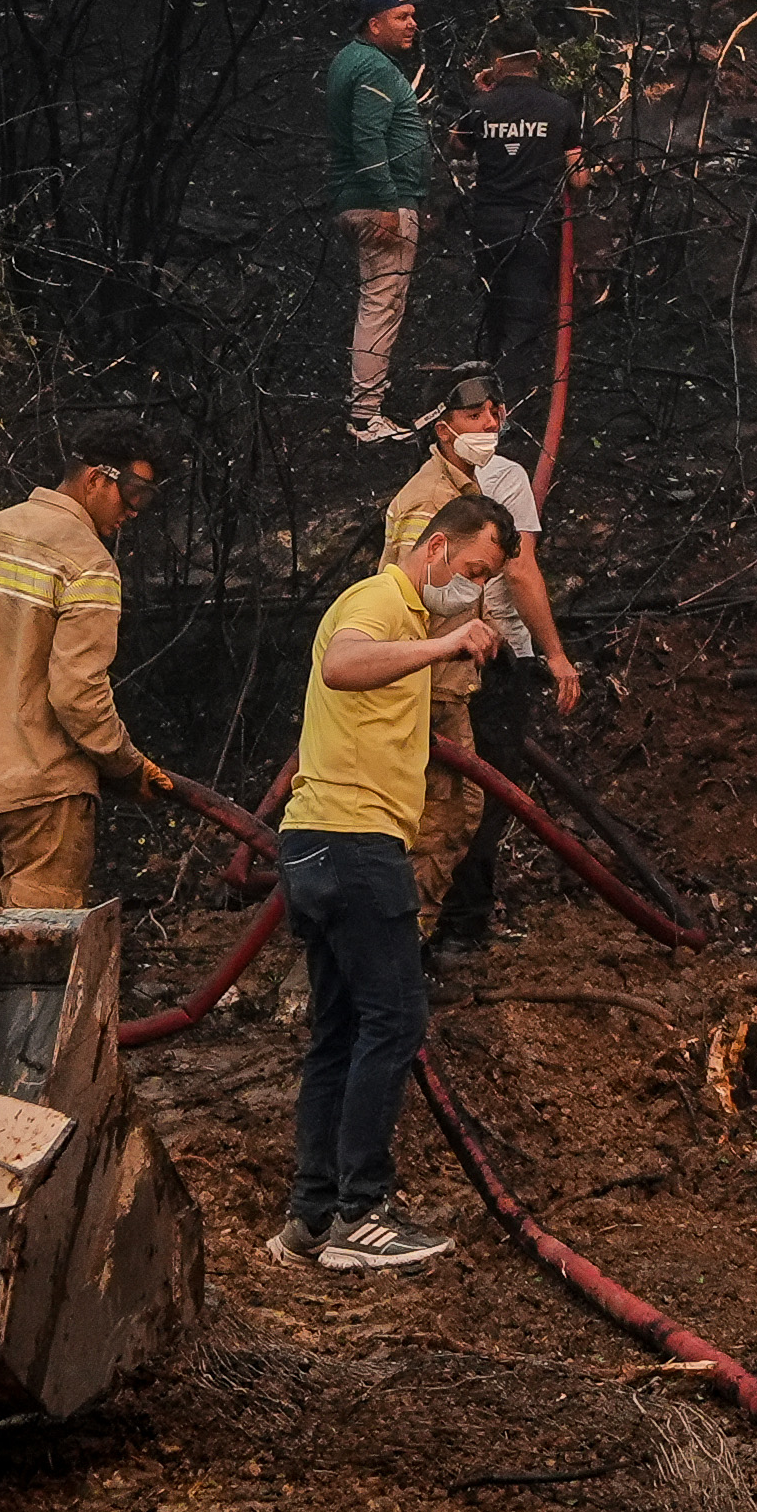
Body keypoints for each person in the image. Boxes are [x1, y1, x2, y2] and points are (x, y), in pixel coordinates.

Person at [273, 487, 517, 1274]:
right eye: (473, 568)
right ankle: (362, 1214)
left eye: (487, 580)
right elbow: (344, 665)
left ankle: (310, 1217)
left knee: (340, 1031)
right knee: (396, 1022)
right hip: (351, 845)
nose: (473, 588)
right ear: (437, 547)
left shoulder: (406, 619)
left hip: (318, 842)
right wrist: (442, 649)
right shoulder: (379, 600)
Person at [374, 365, 582, 953]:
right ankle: (439, 937)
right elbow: (455, 587)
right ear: (442, 428)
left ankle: (433, 934)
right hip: (451, 676)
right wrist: (552, 655)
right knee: (454, 809)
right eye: (475, 415)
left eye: (497, 412)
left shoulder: (456, 490)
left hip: (455, 669)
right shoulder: (434, 502)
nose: (492, 424)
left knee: (465, 803)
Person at [0, 412, 175, 909]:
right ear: (95, 478)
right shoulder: (88, 562)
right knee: (37, 964)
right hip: (43, 793)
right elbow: (77, 694)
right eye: (133, 494)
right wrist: (126, 767)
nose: (134, 511)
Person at [322, 0, 441, 443]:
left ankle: (367, 403)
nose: (413, 24)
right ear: (374, 24)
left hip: (360, 198)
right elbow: (368, 137)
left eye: (413, 15)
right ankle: (365, 416)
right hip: (377, 203)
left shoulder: (355, 60)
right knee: (382, 304)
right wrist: (389, 202)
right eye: (401, 17)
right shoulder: (372, 66)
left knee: (378, 301)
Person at [454, 48, 582, 406]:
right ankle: (506, 409)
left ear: (496, 60)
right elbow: (579, 177)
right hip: (535, 226)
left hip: (488, 224)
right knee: (523, 319)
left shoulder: (483, 105)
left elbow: (456, 144)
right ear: (537, 59)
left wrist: (482, 94)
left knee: (495, 310)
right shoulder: (558, 108)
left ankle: (483, 399)